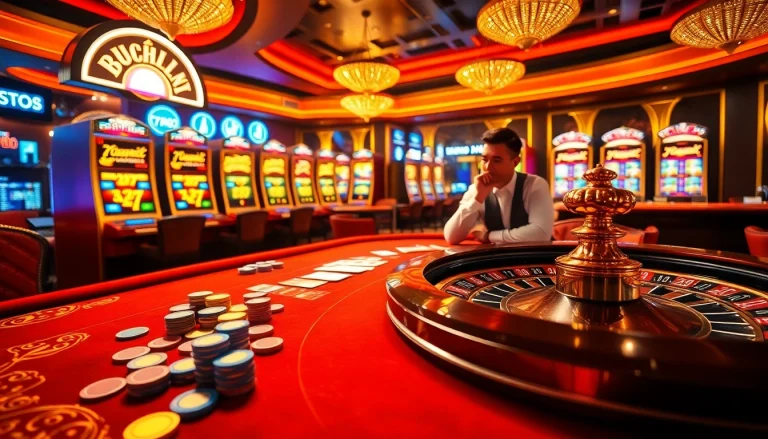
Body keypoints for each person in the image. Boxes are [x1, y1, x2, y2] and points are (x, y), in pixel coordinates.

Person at [444, 127, 554, 245]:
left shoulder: (534, 185)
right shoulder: (476, 189)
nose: (487, 167)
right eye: (484, 159)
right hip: (495, 260)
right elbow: (451, 237)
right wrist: (477, 198)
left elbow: (541, 234)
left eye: (496, 160)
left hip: (532, 259)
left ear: (515, 162)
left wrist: (489, 236)